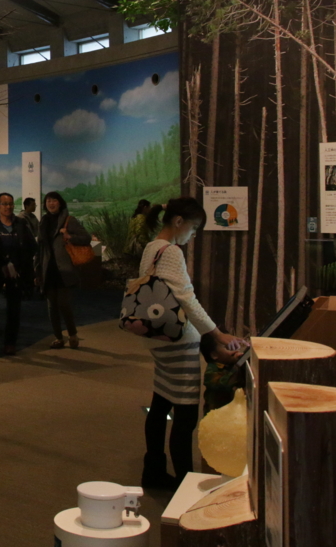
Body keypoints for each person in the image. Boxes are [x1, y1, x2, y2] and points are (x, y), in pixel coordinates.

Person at [137, 197, 246, 490]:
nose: (193, 235)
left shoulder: (151, 247)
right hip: (177, 341)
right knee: (185, 413)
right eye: (194, 228)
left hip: (158, 338)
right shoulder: (171, 252)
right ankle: (185, 482)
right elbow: (187, 299)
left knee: (160, 403)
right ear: (178, 222)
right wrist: (218, 334)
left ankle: (154, 470)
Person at [0, 192, 36, 356]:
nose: (8, 207)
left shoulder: (21, 225)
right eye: (4, 204)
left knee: (14, 309)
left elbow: (32, 247)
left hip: (15, 274)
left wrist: (21, 265)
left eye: (10, 204)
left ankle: (10, 343)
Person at [36, 190, 89, 349]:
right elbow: (40, 249)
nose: (51, 203)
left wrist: (70, 237)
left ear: (60, 203)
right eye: (48, 201)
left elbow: (86, 238)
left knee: (64, 304)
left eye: (54, 200)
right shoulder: (43, 221)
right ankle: (59, 337)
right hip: (48, 269)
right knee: (51, 306)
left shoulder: (69, 220)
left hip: (64, 269)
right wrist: (37, 271)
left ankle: (72, 334)